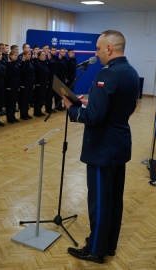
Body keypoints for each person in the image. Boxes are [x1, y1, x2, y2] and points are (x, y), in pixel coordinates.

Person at [63, 30, 139, 264]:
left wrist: (72, 109)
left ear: (109, 49)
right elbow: (121, 104)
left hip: (102, 147)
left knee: (99, 201)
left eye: (97, 48)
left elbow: (94, 116)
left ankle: (95, 250)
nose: (95, 52)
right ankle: (108, 245)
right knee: (114, 199)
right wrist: (90, 100)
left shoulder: (108, 74)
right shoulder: (130, 71)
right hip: (119, 143)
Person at [33, 50, 49, 117]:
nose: (44, 56)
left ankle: (39, 110)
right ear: (39, 56)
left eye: (45, 55)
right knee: (38, 98)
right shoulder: (37, 63)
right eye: (43, 55)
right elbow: (35, 73)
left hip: (44, 83)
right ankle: (36, 112)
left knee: (42, 98)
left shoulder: (44, 63)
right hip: (39, 83)